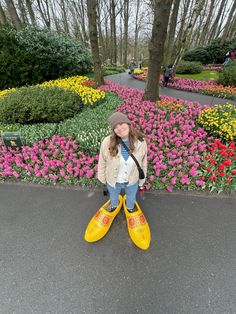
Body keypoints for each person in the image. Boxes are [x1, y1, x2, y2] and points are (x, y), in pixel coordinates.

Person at [84, 111, 151, 250]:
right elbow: (102, 161)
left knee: (131, 196)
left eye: (121, 124)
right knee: (114, 196)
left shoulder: (141, 142)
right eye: (116, 127)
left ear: (128, 123)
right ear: (113, 130)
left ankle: (130, 207)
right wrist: (102, 179)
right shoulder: (107, 142)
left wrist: (141, 181)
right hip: (113, 180)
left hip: (131, 179)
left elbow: (144, 162)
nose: (119, 128)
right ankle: (114, 206)